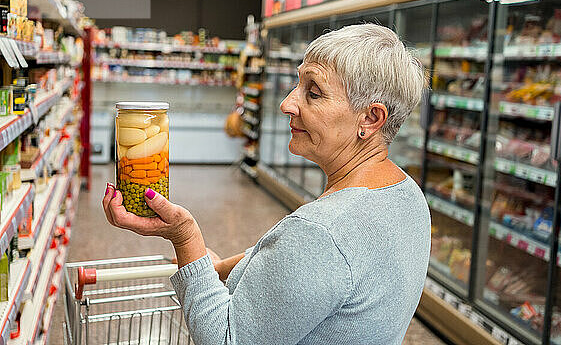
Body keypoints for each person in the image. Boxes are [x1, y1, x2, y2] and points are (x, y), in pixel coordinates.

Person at [102, 23, 431, 344]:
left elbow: (225, 338)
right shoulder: (406, 195)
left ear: (370, 119)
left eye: (313, 93)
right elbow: (299, 270)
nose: (287, 103)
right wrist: (216, 267)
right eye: (297, 84)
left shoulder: (321, 233)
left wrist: (185, 236)